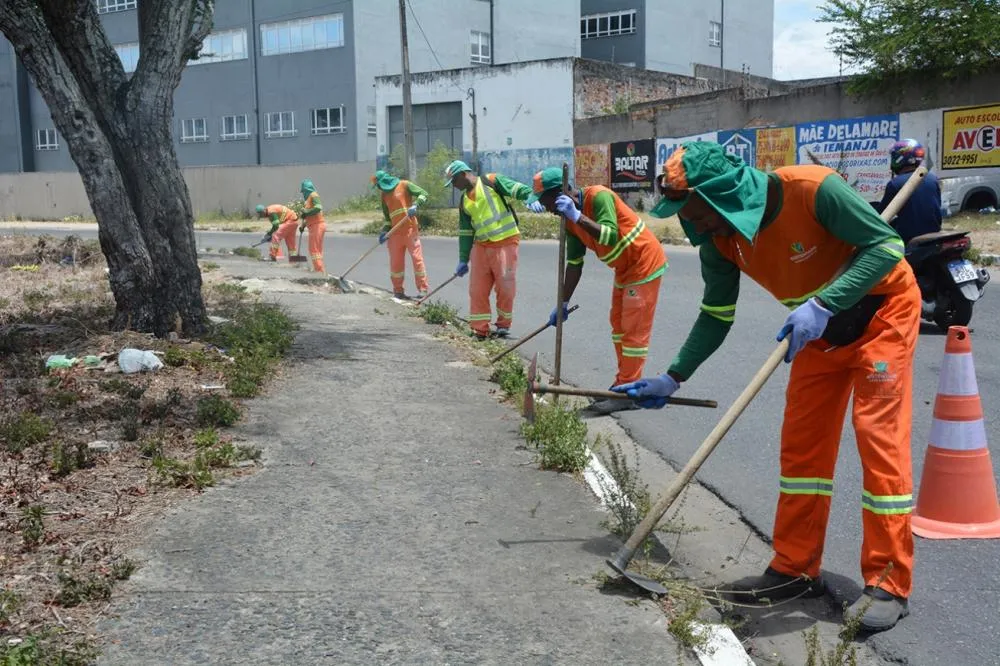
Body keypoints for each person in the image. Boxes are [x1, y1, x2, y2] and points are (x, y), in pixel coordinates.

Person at [614, 141, 920, 632]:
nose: (696, 225)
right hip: (819, 337)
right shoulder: (718, 239)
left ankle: (888, 581)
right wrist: (673, 377)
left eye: (698, 213)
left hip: (882, 316)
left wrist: (824, 303)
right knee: (802, 451)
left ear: (721, 195)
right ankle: (795, 569)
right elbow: (716, 314)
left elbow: (886, 247)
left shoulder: (812, 190)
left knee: (878, 442)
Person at [527, 166, 668, 415]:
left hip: (643, 262)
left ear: (560, 192)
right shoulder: (569, 223)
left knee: (633, 329)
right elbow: (574, 264)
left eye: (546, 201)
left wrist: (577, 216)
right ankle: (623, 383)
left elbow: (610, 236)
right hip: (624, 268)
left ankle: (626, 391)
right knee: (618, 325)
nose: (547, 209)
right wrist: (562, 301)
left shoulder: (598, 196)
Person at [444, 160, 542, 340]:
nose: (454, 187)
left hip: (505, 242)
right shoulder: (464, 200)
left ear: (463, 174)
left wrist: (530, 197)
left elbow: (516, 189)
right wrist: (463, 259)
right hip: (482, 246)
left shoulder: (491, 181)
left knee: (505, 287)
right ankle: (480, 329)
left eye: (454, 182)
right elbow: (466, 232)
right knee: (477, 289)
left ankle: (503, 323)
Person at [371, 170, 430, 299]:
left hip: (410, 229)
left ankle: (423, 288)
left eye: (379, 185)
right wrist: (384, 231)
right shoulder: (384, 196)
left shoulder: (404, 185)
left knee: (417, 259)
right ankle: (398, 290)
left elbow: (423, 194)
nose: (379, 188)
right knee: (396, 264)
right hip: (395, 234)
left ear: (384, 181)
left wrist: (416, 205)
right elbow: (388, 218)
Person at [874, 138, 941, 245]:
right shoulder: (932, 178)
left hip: (908, 237)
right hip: (935, 232)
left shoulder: (895, 184)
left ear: (900, 158)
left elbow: (883, 215)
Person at [299, 179, 326, 273]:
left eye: (303, 191)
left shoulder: (313, 195)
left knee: (313, 249)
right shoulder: (308, 200)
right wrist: (303, 225)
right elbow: (310, 214)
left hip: (317, 225)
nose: (303, 194)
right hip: (314, 225)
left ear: (307, 190)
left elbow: (318, 207)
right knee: (317, 250)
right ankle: (320, 269)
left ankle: (319, 271)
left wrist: (307, 212)